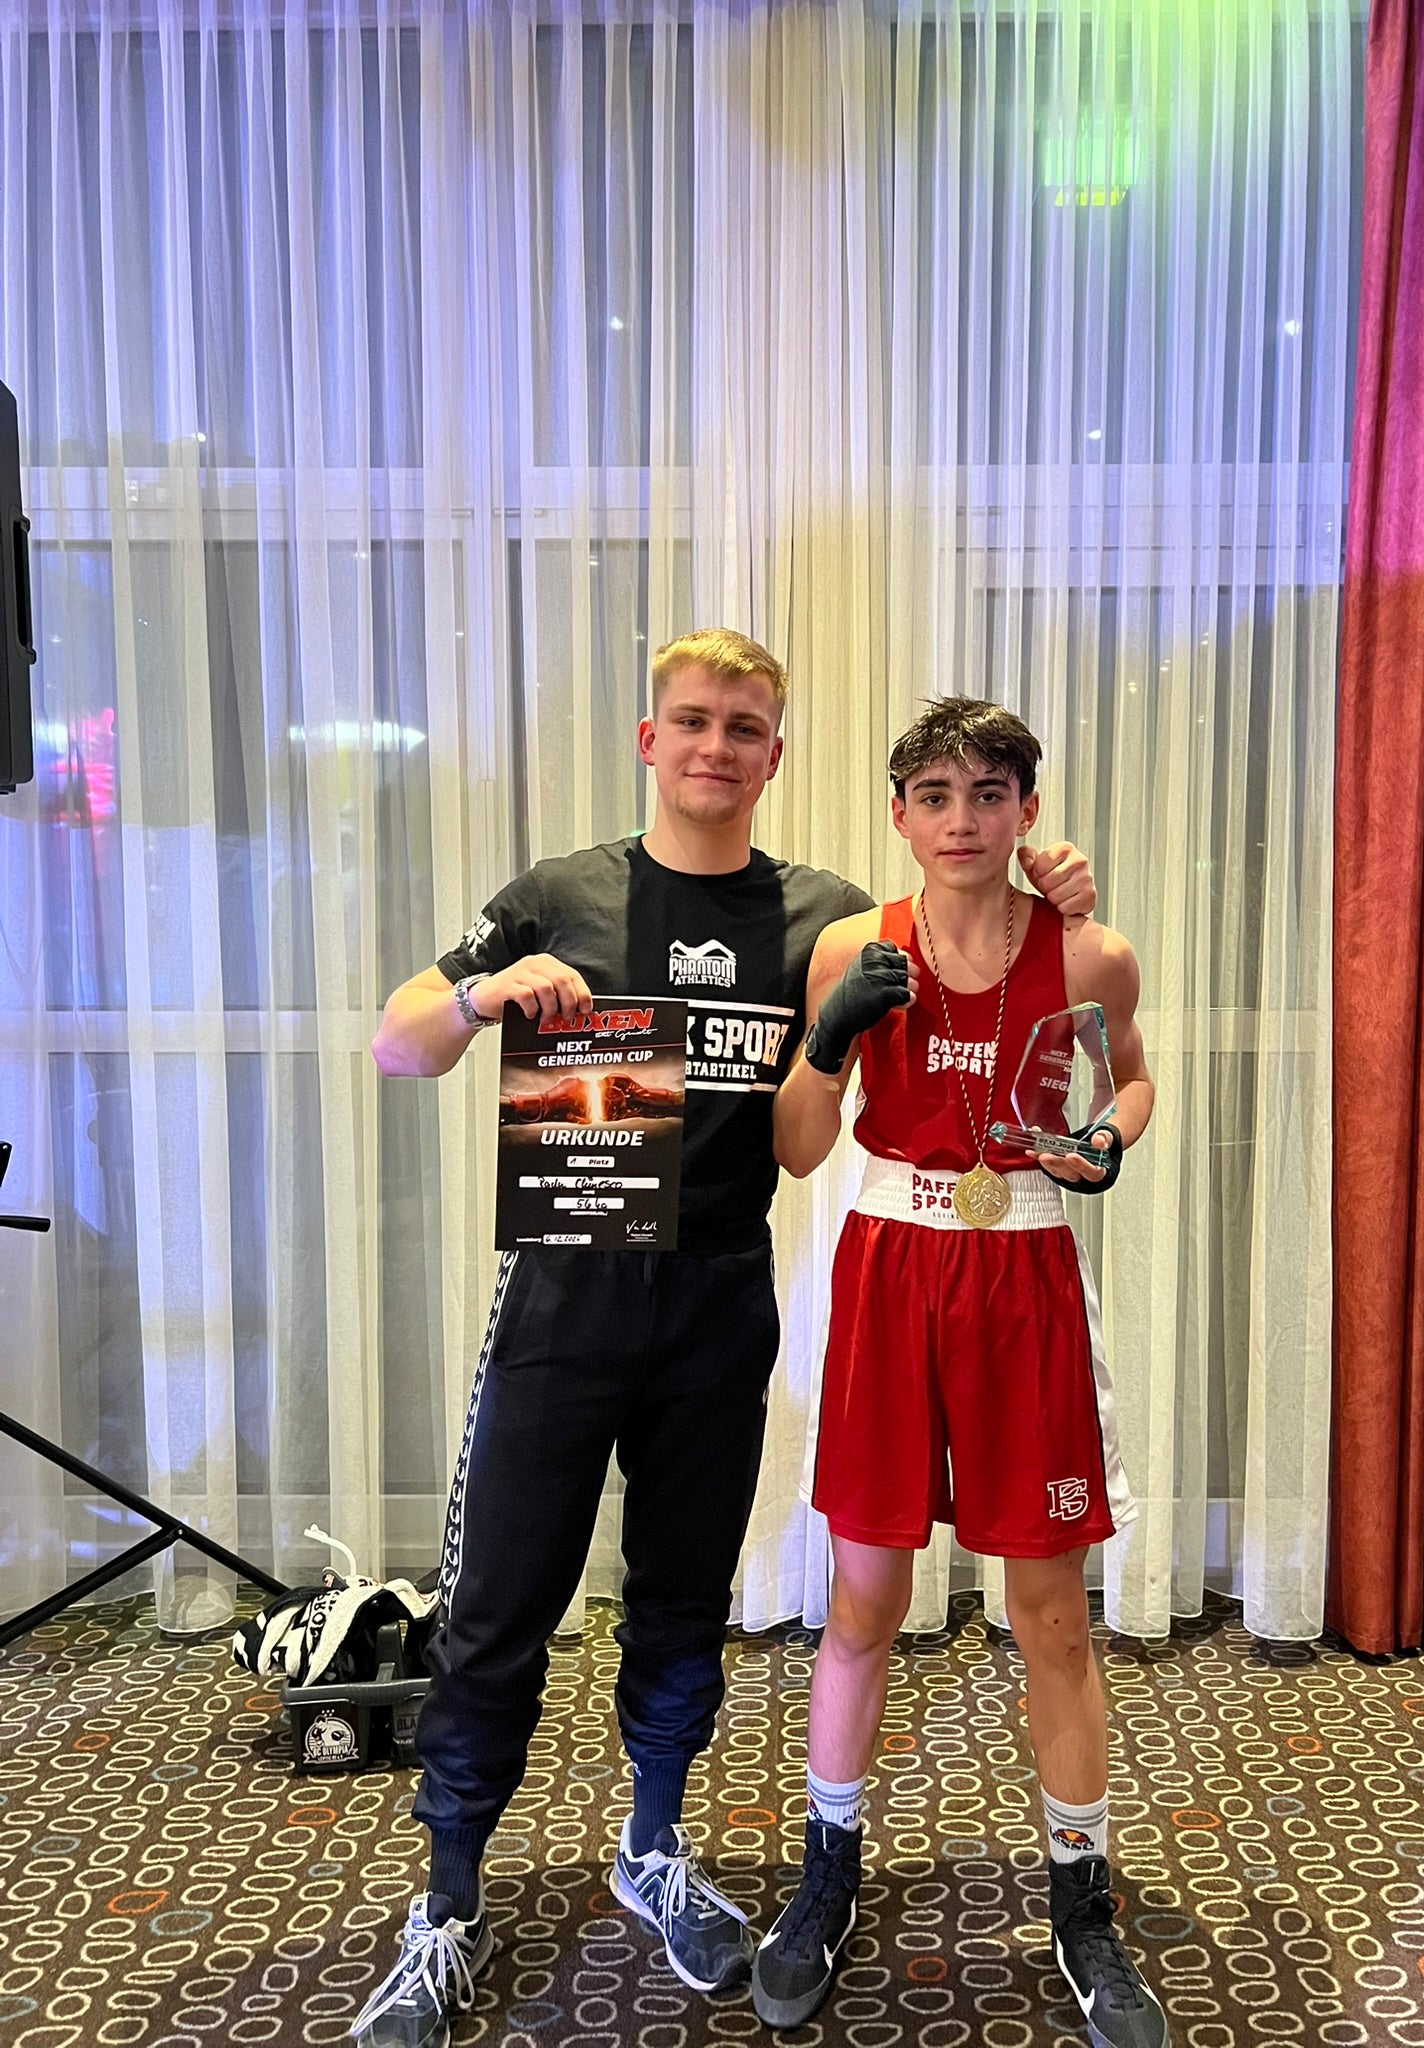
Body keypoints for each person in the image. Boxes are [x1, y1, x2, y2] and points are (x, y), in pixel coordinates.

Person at [350, 633, 1100, 2048]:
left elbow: (956, 953)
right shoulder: (560, 892)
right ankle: (446, 1905)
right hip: (565, 1296)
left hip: (717, 1296)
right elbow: (399, 1041)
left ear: (774, 755)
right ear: (651, 740)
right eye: (692, 721)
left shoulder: (823, 919)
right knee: (503, 1600)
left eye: (743, 727)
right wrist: (478, 997)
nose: (715, 746)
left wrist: (1057, 884)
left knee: (683, 1598)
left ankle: (652, 1847)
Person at [753, 697, 1167, 2048]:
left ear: (1026, 809)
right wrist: (828, 1040)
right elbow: (800, 1148)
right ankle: (827, 1870)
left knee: (1050, 1615)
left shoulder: (1090, 951)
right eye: (934, 794)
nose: (962, 819)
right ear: (899, 814)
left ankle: (1082, 1899)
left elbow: (1132, 1082)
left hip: (1023, 1272)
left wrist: (1106, 1138)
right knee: (864, 1598)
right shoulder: (851, 946)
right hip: (891, 1268)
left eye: (989, 792)